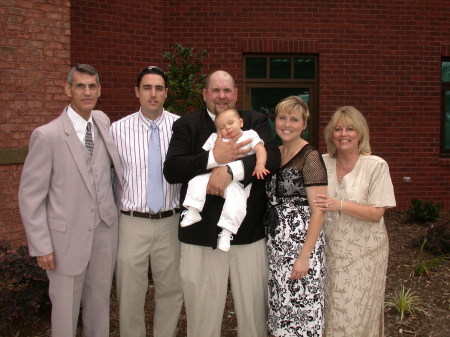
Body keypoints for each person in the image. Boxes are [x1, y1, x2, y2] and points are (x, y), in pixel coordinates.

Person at [164, 70, 281, 337]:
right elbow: (172, 169)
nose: (222, 96)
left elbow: (272, 158)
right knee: (202, 318)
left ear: (236, 94)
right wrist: (213, 158)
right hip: (200, 236)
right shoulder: (188, 125)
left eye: (227, 90)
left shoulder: (254, 121)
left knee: (253, 316)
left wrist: (231, 171)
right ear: (205, 94)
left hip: (248, 233)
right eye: (215, 90)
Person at [18, 64, 122, 337]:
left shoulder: (102, 122)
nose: (86, 92)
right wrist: (41, 246)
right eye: (80, 86)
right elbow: (30, 197)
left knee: (99, 308)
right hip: (64, 243)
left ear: (99, 90)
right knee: (65, 314)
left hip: (104, 233)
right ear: (68, 89)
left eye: (92, 86)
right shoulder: (47, 135)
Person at [110, 66, 183, 337]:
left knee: (172, 290)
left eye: (159, 88)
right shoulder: (117, 130)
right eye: (147, 88)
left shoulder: (182, 127)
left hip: (170, 221)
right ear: (137, 92)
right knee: (129, 292)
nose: (153, 94)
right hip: (132, 222)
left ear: (167, 93)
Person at [314, 106, 396, 337]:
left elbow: (377, 213)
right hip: (329, 251)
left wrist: (340, 205)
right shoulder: (321, 163)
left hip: (365, 254)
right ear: (331, 134)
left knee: (357, 312)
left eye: (350, 128)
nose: (343, 134)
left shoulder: (375, 166)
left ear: (360, 133)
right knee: (331, 311)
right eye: (338, 129)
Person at [264, 96, 328, 336]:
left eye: (294, 119)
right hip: (276, 245)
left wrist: (304, 257)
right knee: (280, 308)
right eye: (282, 118)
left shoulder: (310, 156)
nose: (287, 124)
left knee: (302, 311)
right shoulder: (273, 153)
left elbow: (319, 210)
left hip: (301, 245)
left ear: (304, 124)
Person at [180, 107, 270, 252]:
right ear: (217, 131)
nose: (227, 128)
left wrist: (260, 164)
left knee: (237, 204)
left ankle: (227, 232)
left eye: (231, 123)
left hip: (238, 183)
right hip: (215, 175)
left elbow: (260, 150)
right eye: (222, 127)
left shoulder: (250, 135)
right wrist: (215, 158)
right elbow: (206, 157)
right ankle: (193, 210)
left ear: (241, 122)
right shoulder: (215, 138)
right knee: (195, 182)